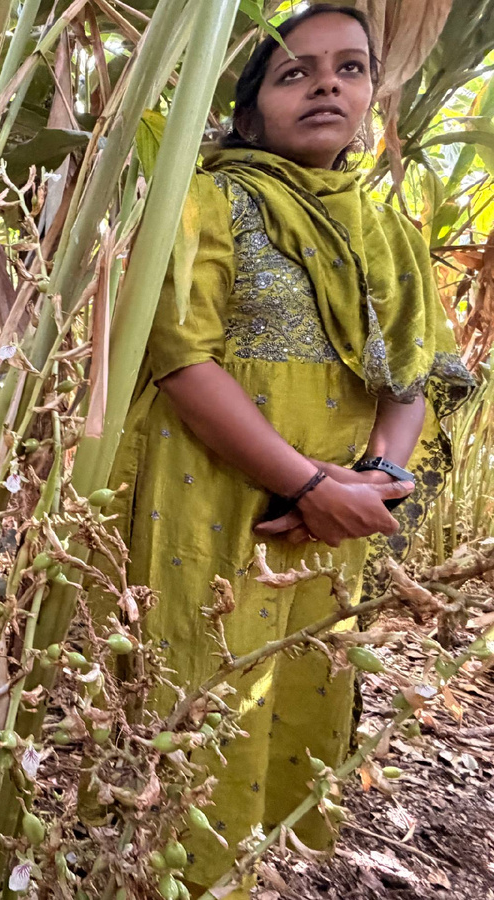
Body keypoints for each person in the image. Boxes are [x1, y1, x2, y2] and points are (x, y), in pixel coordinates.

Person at [105, 5, 475, 895]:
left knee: (292, 685)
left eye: (350, 69)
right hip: (218, 492)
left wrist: (381, 479)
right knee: (194, 681)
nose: (326, 85)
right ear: (247, 109)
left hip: (336, 515)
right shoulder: (206, 199)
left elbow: (410, 377)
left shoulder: (387, 233)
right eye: (295, 71)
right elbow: (179, 359)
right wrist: (305, 481)